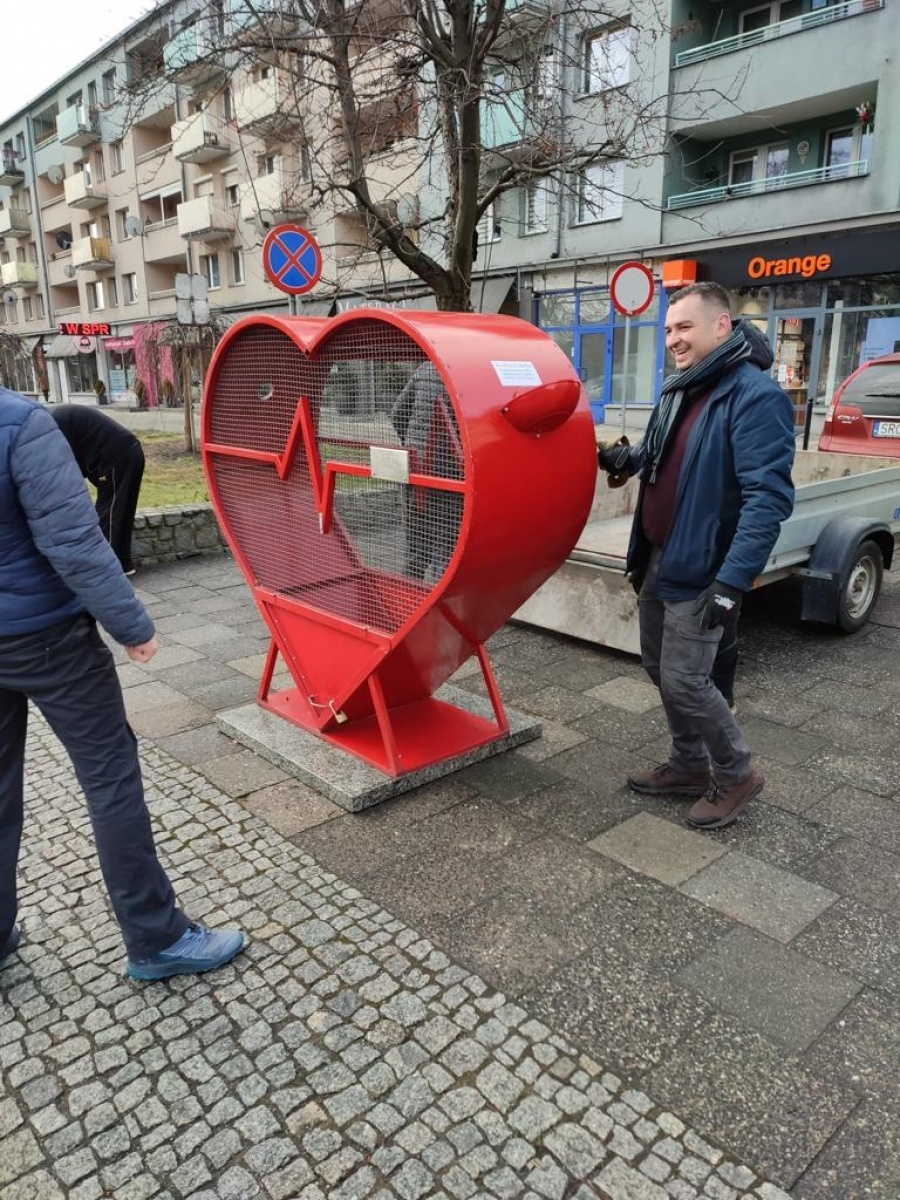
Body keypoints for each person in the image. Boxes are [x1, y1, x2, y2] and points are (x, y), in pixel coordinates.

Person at [0, 386, 245, 979]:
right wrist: (131, 625)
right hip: (48, 638)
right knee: (110, 776)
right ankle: (156, 937)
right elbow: (75, 541)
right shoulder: (20, 423)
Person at [597, 282, 795, 829]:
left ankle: (736, 773)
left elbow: (768, 499)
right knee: (661, 668)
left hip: (706, 566)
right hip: (660, 553)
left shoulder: (755, 396)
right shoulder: (680, 389)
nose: (673, 340)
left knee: (687, 679)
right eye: (667, 330)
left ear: (721, 326)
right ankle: (688, 764)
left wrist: (733, 583)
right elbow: (662, 452)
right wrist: (624, 458)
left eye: (684, 327)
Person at [390, 361, 465, 583]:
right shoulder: (465, 372)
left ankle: (407, 603)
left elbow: (397, 414)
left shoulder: (426, 369)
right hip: (449, 473)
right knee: (447, 545)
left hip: (413, 469)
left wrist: (414, 445)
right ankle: (438, 605)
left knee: (415, 544)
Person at [50, 404, 145, 576]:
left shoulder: (54, 422)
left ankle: (107, 570)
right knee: (118, 513)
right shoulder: (55, 418)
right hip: (122, 454)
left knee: (109, 514)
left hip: (118, 457)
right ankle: (122, 565)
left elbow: (66, 462)